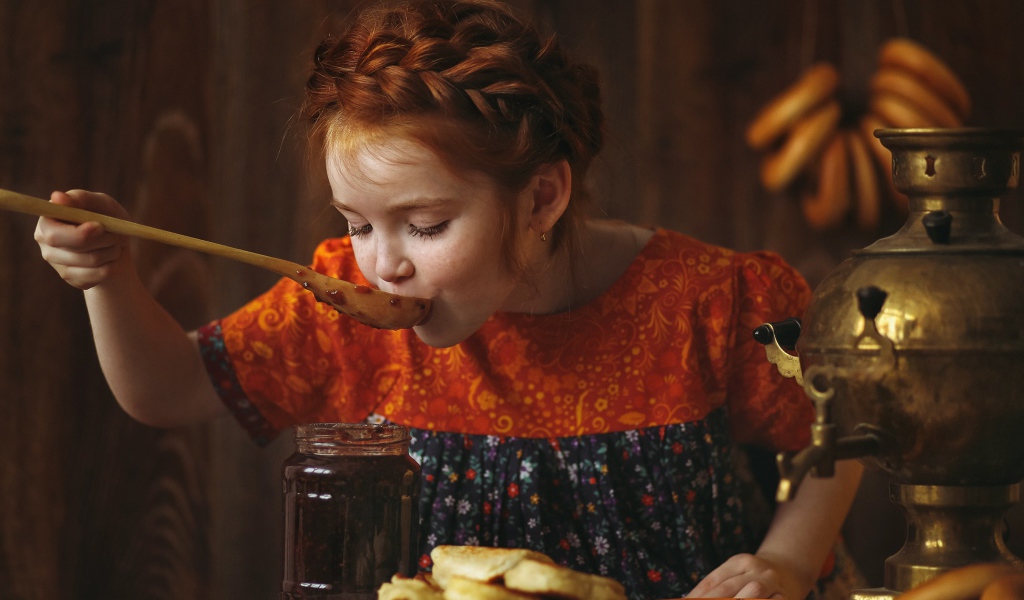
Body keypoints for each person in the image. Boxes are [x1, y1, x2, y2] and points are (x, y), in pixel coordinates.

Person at [34, 1, 864, 598]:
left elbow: (841, 428)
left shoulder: (710, 302)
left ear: (542, 198)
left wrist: (788, 563)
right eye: (358, 224)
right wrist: (107, 277)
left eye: (424, 225)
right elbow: (166, 389)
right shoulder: (343, 303)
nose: (382, 264)